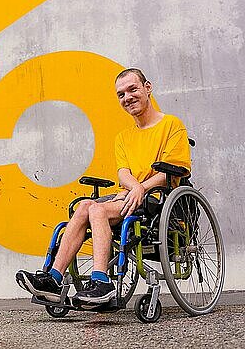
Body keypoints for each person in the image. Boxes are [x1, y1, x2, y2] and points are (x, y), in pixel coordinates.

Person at [16, 68, 191, 304]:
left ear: (147, 88)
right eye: (121, 94)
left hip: (160, 198)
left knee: (97, 210)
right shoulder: (123, 137)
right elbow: (123, 173)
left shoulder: (171, 125)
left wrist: (141, 188)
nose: (127, 97)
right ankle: (53, 280)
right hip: (130, 196)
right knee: (83, 207)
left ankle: (102, 282)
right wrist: (135, 187)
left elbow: (172, 171)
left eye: (132, 89)